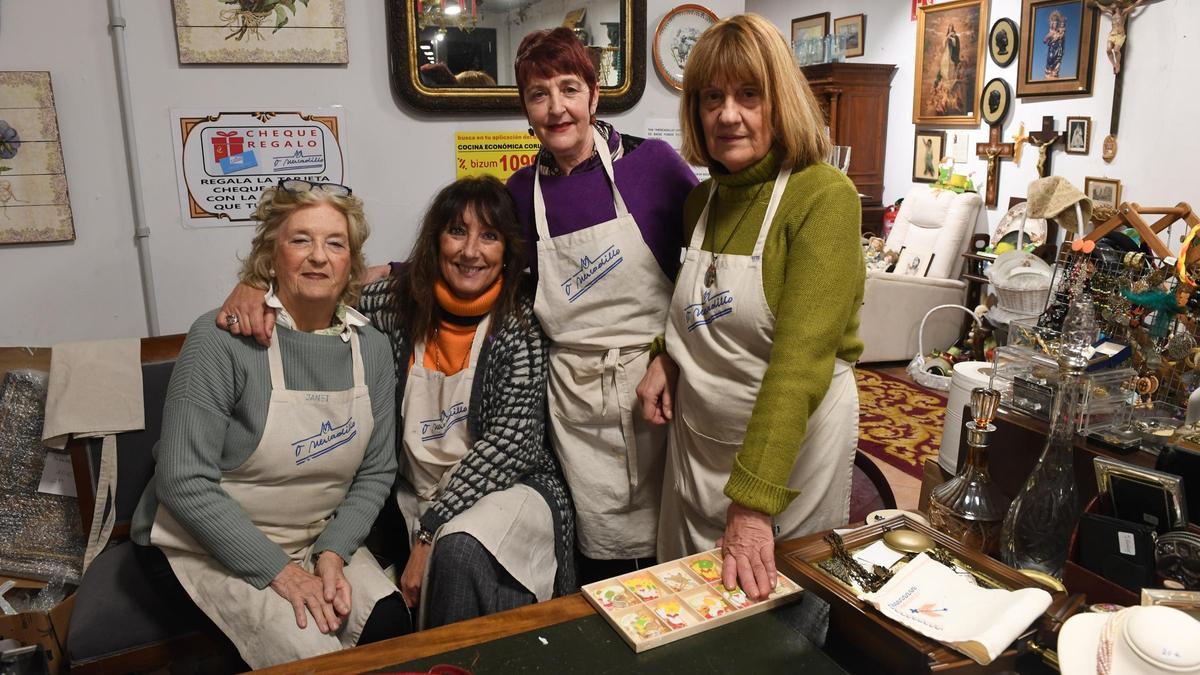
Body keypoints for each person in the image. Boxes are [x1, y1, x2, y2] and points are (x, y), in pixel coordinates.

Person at [130, 179, 408, 669]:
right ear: (270, 255)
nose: (319, 257)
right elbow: (182, 480)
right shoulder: (220, 341)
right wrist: (281, 572)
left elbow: (378, 470)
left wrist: (333, 554)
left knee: (387, 625)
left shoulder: (373, 348)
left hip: (314, 537)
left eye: (335, 243)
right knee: (309, 650)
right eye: (301, 239)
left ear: (352, 264)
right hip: (203, 543)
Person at [639, 14, 864, 601]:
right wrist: (665, 355)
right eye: (711, 97)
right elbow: (698, 308)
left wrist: (754, 502)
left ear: (781, 101)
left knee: (776, 618)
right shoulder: (702, 201)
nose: (727, 115)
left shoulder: (823, 197)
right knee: (685, 605)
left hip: (786, 454)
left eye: (748, 95)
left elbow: (799, 365)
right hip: (701, 441)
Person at [505, 27, 698, 580]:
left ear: (594, 94)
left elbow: (709, 263)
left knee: (678, 545)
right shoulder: (521, 193)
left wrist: (670, 354)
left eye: (569, 88)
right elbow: (467, 264)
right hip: (574, 397)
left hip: (659, 383)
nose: (557, 107)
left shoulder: (653, 166)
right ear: (526, 109)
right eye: (539, 94)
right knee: (599, 554)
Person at [356, 175, 574, 627]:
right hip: (415, 492)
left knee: (455, 550)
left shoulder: (519, 323)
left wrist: (429, 532)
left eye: (489, 236)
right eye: (457, 231)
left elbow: (512, 444)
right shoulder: (394, 306)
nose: (471, 251)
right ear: (435, 242)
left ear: (508, 251)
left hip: (511, 488)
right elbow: (320, 289)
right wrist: (256, 289)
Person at [1043, 11, 1066, 79]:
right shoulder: (1051, 32)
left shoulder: (1060, 32)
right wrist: (1048, 37)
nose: (1054, 24)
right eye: (1052, 22)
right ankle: (1049, 72)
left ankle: (1054, 73)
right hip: (1052, 49)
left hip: (1058, 49)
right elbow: (1044, 40)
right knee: (1050, 59)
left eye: (1056, 22)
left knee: (1057, 61)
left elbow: (1062, 40)